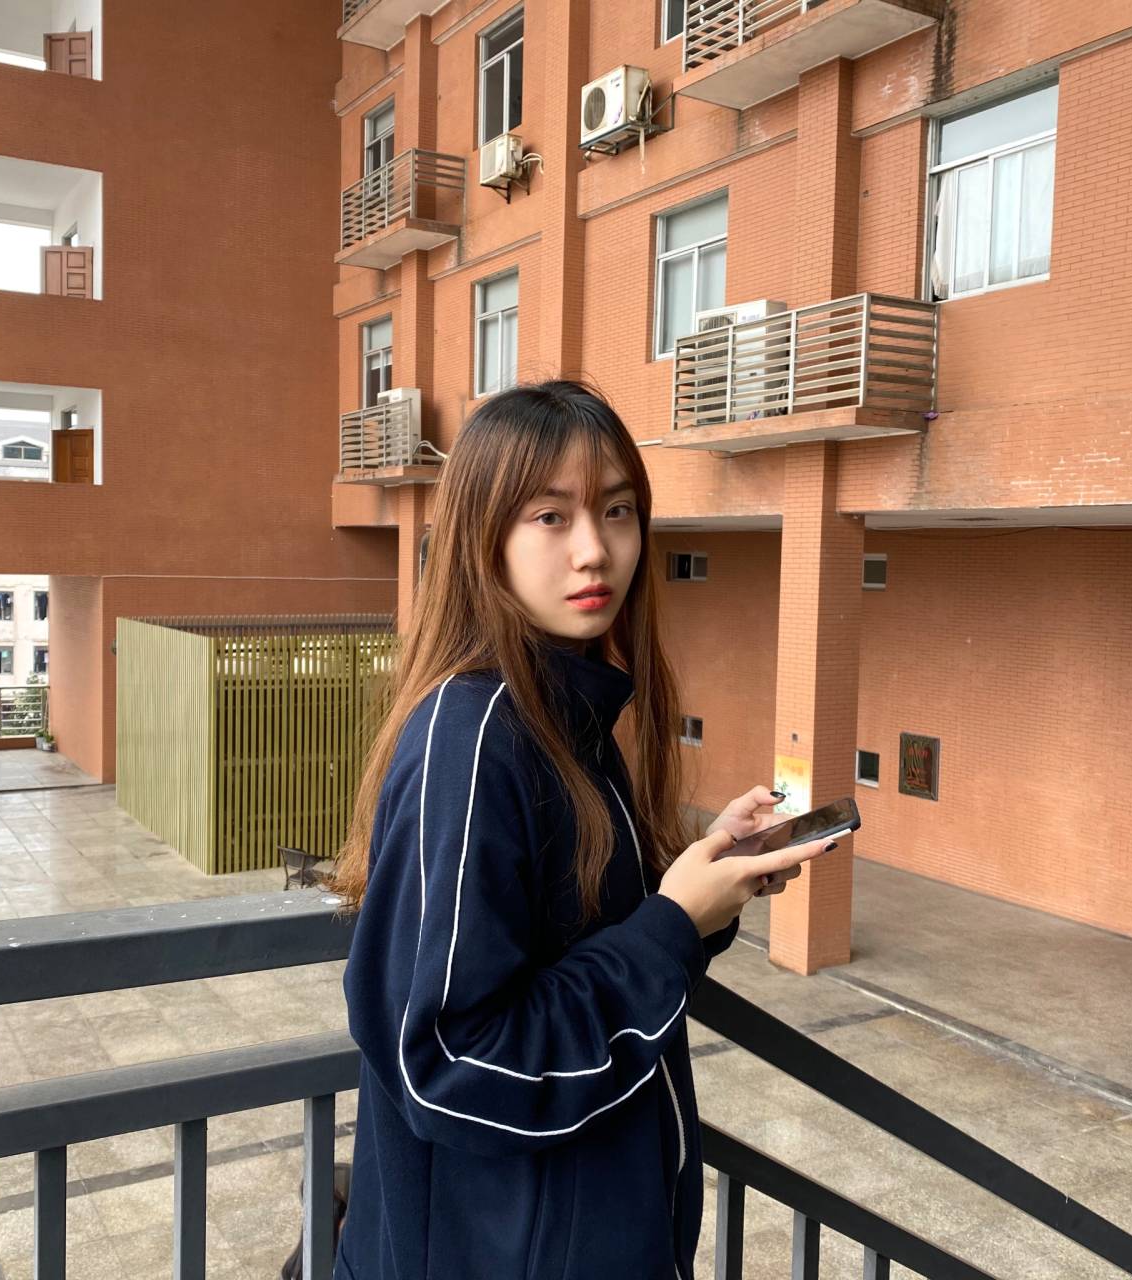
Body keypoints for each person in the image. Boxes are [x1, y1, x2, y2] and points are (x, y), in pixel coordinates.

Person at [325, 379, 845, 1279]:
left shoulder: (563, 713)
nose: (595, 549)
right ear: (484, 537)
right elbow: (448, 1060)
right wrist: (669, 926)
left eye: (617, 510)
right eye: (550, 517)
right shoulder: (474, 736)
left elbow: (575, 944)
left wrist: (701, 888)